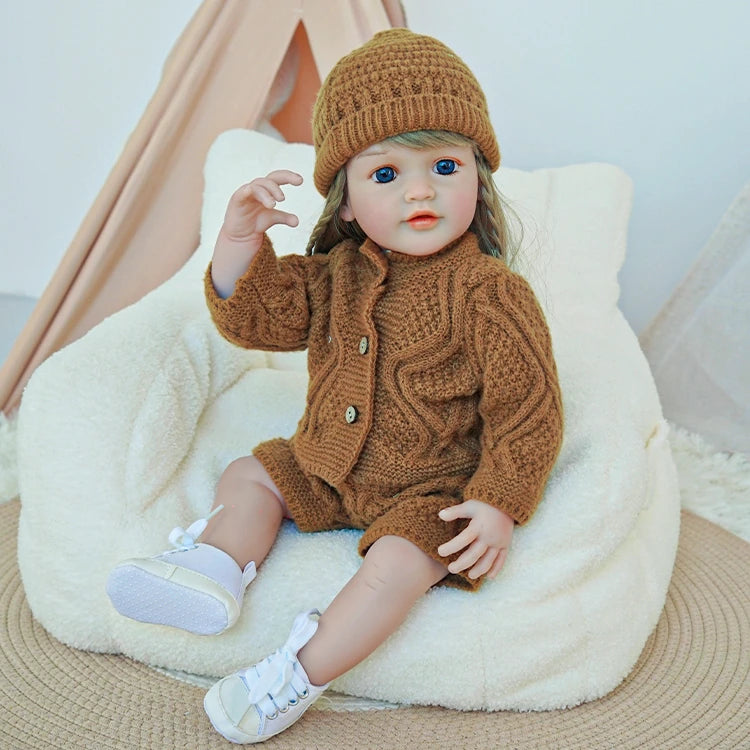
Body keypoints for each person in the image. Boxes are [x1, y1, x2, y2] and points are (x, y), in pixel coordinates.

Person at [106, 28, 564, 744]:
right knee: (251, 471)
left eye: (444, 165)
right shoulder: (335, 276)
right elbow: (254, 318)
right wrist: (237, 242)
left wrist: (499, 500)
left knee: (396, 567)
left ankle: (294, 674)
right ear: (346, 202)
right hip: (326, 465)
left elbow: (527, 411)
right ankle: (217, 566)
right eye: (385, 175)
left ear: (479, 176)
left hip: (428, 492)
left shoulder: (488, 293)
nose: (419, 189)